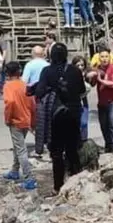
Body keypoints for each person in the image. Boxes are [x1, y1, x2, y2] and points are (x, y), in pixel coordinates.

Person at [34, 43, 86, 194]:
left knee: (56, 153)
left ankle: (58, 186)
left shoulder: (47, 71)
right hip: (73, 114)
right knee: (72, 149)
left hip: (56, 116)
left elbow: (39, 92)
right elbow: (82, 91)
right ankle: (76, 183)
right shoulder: (75, 71)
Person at [1, 61, 37, 190]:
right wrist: (33, 122)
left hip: (15, 121)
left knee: (21, 150)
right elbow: (33, 105)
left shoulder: (8, 86)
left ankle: (28, 178)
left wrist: (7, 118)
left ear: (7, 73)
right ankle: (15, 171)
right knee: (18, 146)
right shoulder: (24, 85)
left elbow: (9, 102)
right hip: (26, 120)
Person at [92, 47, 113, 154]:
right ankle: (108, 144)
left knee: (111, 119)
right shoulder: (97, 69)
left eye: (106, 57)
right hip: (102, 102)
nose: (104, 59)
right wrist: (92, 76)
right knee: (103, 124)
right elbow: (92, 83)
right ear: (98, 58)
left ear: (110, 57)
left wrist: (101, 80)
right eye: (102, 57)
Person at [72, 56, 92, 141]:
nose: (80, 67)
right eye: (78, 65)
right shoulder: (70, 75)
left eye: (82, 65)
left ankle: (84, 140)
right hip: (74, 102)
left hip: (83, 101)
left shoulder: (87, 75)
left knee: (84, 122)